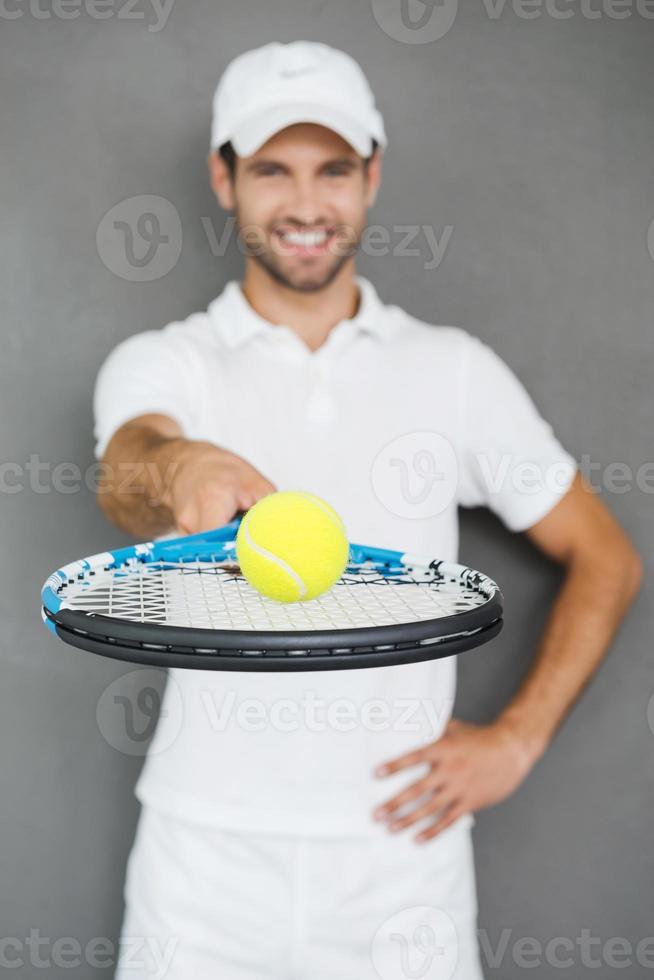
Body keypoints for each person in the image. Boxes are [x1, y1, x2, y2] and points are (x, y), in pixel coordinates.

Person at [95, 40, 642, 980]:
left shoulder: (453, 370)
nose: (307, 206)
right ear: (222, 180)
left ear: (372, 177)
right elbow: (127, 464)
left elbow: (607, 557)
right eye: (272, 170)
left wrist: (517, 740)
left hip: (401, 875)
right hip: (204, 867)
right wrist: (179, 464)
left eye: (333, 170)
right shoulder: (167, 362)